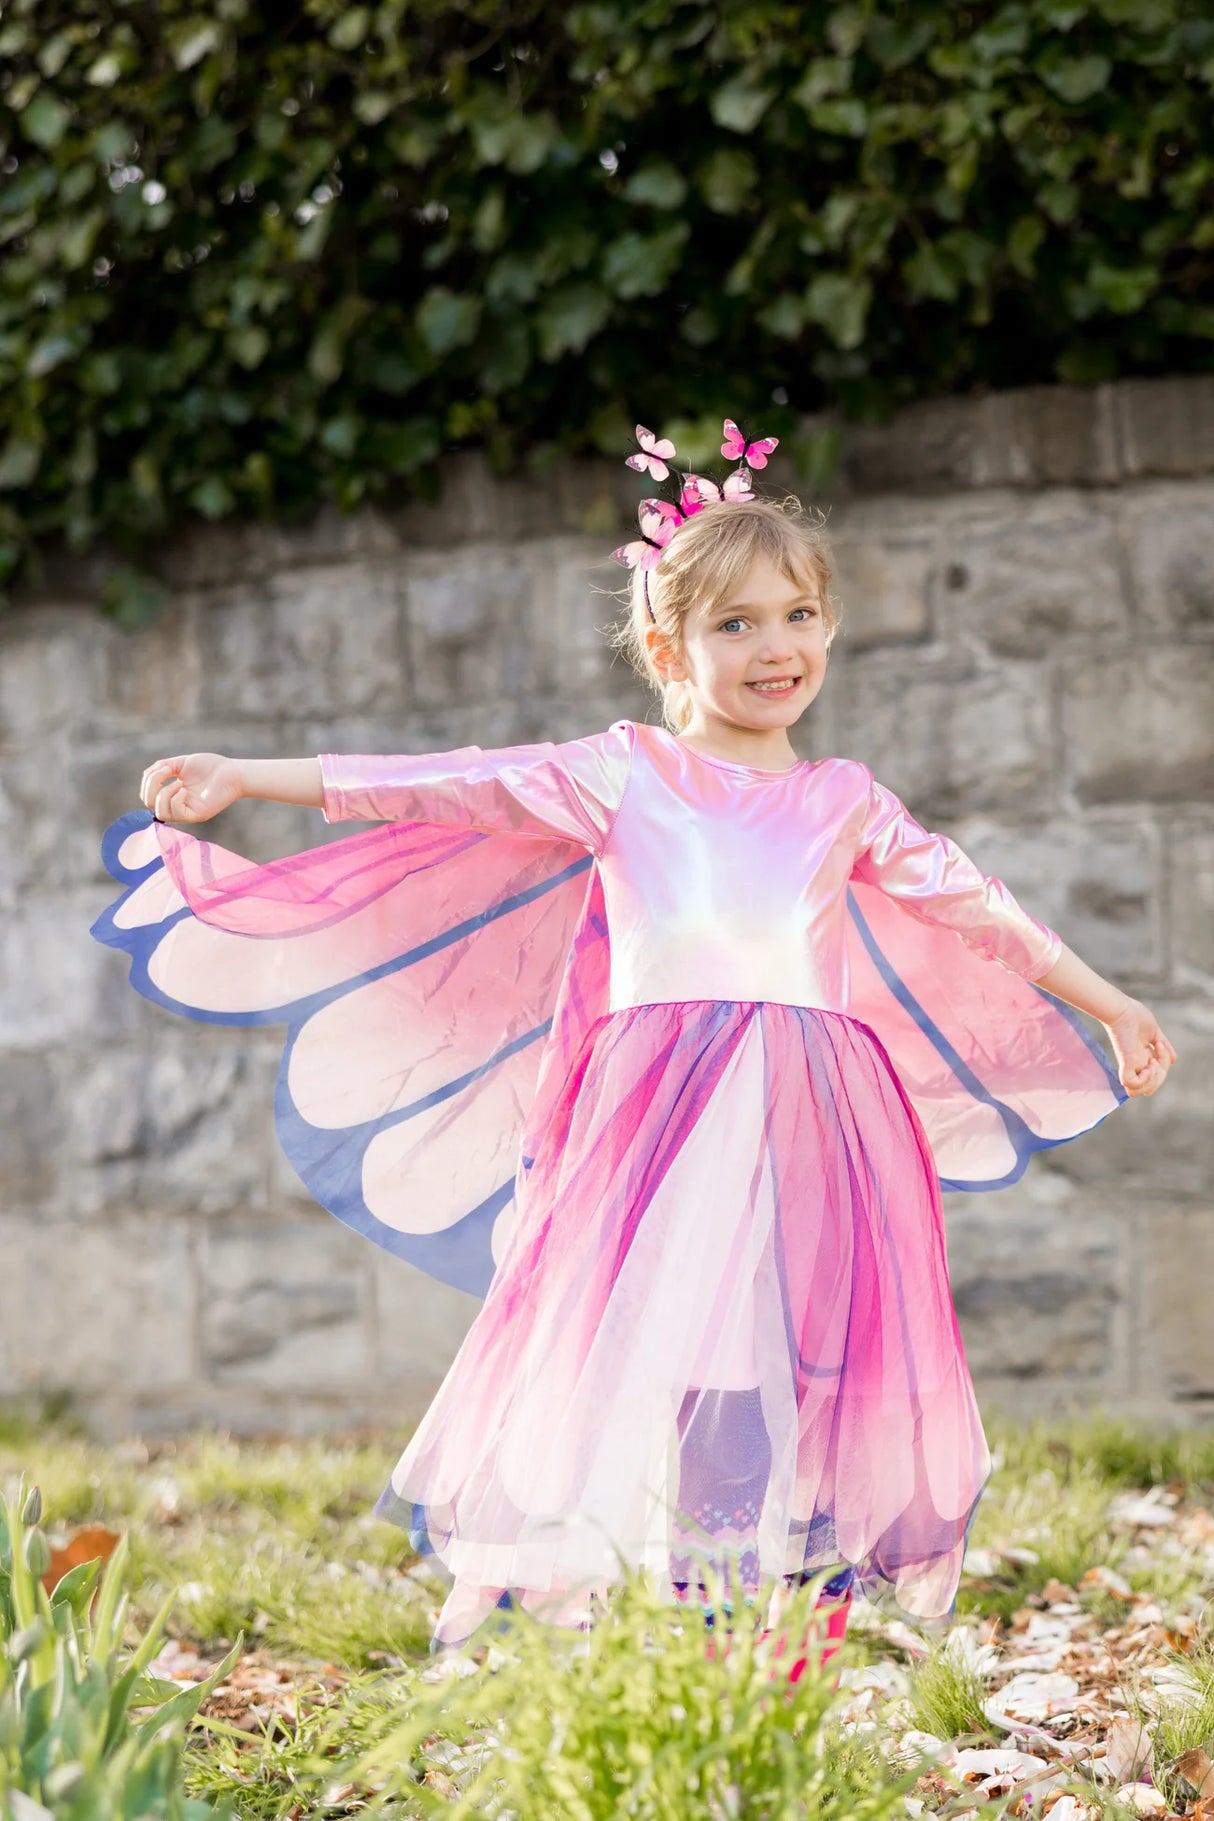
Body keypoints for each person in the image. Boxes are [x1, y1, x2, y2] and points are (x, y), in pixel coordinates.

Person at [91, 420, 1175, 1679]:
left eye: (797, 615)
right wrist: (252, 778)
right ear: (667, 648)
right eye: (735, 625)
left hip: (806, 1116)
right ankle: (636, 1603)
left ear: (826, 626)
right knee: (656, 1341)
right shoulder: (627, 776)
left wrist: (1107, 1003)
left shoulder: (844, 800)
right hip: (658, 1110)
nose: (775, 647)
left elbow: (973, 905)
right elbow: (446, 782)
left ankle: (756, 1619)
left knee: (778, 1347)